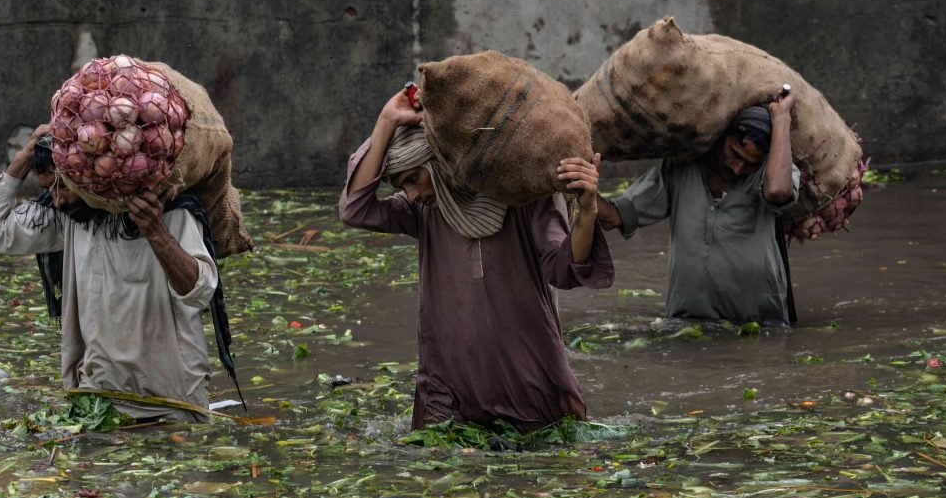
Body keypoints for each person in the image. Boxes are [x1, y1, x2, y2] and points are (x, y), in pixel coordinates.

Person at [339, 85, 615, 433]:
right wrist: (386, 120)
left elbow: (563, 269)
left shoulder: (526, 197)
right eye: (401, 184)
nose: (410, 194)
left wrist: (587, 210)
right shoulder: (423, 212)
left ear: (440, 165)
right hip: (448, 393)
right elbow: (355, 209)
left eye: (413, 178)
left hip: (526, 384)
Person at [0, 125, 219, 422]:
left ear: (92, 180)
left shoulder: (170, 215)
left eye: (61, 186)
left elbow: (200, 291)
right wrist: (25, 155)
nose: (57, 199)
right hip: (96, 401)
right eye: (49, 189)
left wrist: (155, 233)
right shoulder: (68, 220)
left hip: (172, 403)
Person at [596, 89, 800, 325]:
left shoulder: (774, 173)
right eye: (734, 153)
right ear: (720, 137)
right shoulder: (681, 169)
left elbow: (777, 192)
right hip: (687, 321)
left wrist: (781, 118)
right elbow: (613, 218)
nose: (737, 168)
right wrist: (584, 190)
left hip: (760, 323)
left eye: (749, 163)